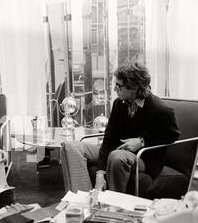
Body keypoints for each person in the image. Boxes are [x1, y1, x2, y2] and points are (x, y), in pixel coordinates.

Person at [62, 62, 180, 193]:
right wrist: (100, 174)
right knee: (70, 147)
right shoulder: (119, 104)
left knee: (116, 156)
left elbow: (172, 135)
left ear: (134, 87)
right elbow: (109, 138)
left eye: (118, 86)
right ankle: (83, 199)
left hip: (145, 158)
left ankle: (114, 205)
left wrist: (142, 141)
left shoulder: (160, 109)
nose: (114, 90)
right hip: (117, 150)